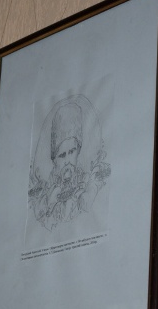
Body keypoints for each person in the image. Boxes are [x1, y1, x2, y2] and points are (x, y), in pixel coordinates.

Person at [29, 96, 110, 231]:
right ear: (54, 159)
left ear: (78, 150)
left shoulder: (84, 179)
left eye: (72, 152)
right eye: (62, 155)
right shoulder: (48, 189)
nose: (67, 161)